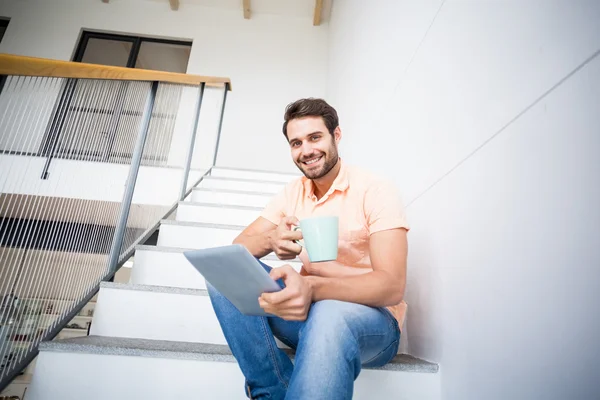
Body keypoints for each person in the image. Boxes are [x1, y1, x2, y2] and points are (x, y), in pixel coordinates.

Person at [207, 98, 409, 400]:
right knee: (225, 276)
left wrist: (313, 286)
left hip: (373, 322)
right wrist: (271, 240)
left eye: (315, 137)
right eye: (296, 143)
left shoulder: (375, 189)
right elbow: (238, 251)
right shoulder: (293, 193)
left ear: (336, 136)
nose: (306, 150)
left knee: (330, 311)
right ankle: (272, 391)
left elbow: (391, 286)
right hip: (305, 314)